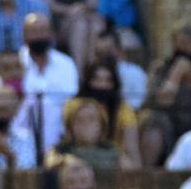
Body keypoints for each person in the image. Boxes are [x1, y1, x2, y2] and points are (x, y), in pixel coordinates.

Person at [16, 11, 76, 157]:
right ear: (24, 35)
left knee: (48, 107)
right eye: (33, 31)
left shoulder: (65, 63)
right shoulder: (15, 62)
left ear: (51, 34)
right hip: (19, 124)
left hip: (59, 128)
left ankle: (50, 156)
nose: (38, 36)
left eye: (43, 31)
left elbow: (70, 100)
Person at [140, 23, 191, 168]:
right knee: (152, 121)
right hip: (170, 125)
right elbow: (158, 101)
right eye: (181, 43)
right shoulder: (161, 69)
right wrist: (175, 76)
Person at [72, 59, 139, 167]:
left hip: (111, 160)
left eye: (107, 81)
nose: (102, 85)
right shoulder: (74, 105)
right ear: (88, 82)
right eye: (97, 80)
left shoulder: (123, 109)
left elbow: (132, 148)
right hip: (76, 156)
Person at [47, 97, 122, 170]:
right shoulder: (60, 150)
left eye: (91, 119)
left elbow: (128, 167)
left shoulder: (112, 151)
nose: (85, 124)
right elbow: (50, 162)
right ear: (70, 127)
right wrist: (65, 161)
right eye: (79, 120)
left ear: (101, 125)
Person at [92, 26, 145, 110]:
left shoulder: (133, 72)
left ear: (119, 50)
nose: (104, 56)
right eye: (99, 53)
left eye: (108, 51)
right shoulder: (93, 73)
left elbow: (138, 104)